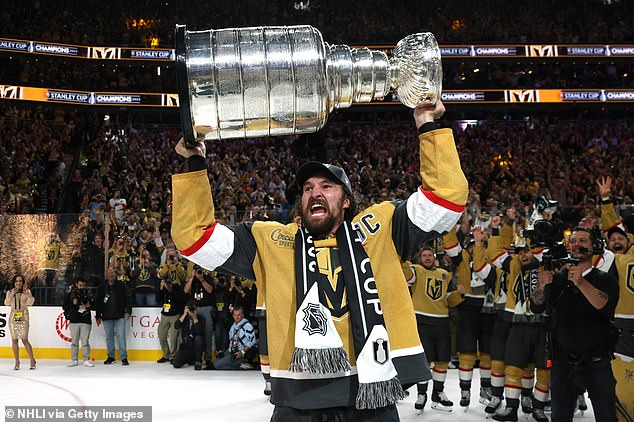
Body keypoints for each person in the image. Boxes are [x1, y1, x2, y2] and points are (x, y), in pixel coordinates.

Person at [171, 100, 468, 420]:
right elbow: (194, 239)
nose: (315, 193)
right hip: (299, 402)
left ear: (347, 200)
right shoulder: (271, 241)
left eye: (327, 186)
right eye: (308, 188)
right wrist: (195, 162)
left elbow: (446, 199)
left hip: (371, 399)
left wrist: (427, 123)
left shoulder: (380, 228)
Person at [533, 227, 619, 422]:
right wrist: (541, 287)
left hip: (597, 362)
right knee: (560, 417)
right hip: (562, 363)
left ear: (594, 246)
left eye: (582, 241)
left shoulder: (605, 279)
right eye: (573, 242)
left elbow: (603, 305)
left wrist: (580, 282)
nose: (576, 245)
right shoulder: (559, 278)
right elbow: (537, 307)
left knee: (607, 417)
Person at [403, 245, 464, 412]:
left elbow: (451, 300)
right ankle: (421, 394)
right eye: (424, 255)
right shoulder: (415, 270)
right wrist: (404, 262)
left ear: (434, 257)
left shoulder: (445, 274)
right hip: (422, 323)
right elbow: (406, 276)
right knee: (425, 361)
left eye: (430, 255)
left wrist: (459, 293)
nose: (427, 258)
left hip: (442, 323)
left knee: (442, 361)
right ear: (420, 258)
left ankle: (438, 392)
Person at [95, 266, 133, 365]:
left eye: (112, 273)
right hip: (106, 316)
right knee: (109, 337)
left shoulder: (121, 285)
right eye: (109, 273)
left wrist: (128, 311)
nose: (111, 274)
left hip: (119, 315)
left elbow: (128, 298)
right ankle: (111, 356)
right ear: (106, 275)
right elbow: (98, 302)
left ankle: (124, 358)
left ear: (115, 274)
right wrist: (98, 315)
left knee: (121, 337)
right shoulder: (102, 287)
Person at [183, 265, 215, 369]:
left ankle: (208, 358)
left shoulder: (207, 277)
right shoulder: (192, 280)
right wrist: (192, 278)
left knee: (207, 333)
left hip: (206, 308)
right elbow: (186, 290)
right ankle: (197, 358)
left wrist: (202, 280)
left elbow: (210, 290)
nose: (198, 272)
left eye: (199, 270)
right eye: (196, 271)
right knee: (196, 333)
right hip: (195, 309)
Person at [4, 274, 36, 370]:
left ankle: (31, 359)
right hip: (13, 317)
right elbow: (7, 303)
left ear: (23, 282)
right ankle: (17, 361)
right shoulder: (10, 291)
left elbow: (30, 303)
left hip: (24, 316)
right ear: (14, 282)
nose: (18, 283)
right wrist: (11, 295)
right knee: (14, 340)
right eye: (17, 281)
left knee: (24, 339)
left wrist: (28, 295)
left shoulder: (27, 291)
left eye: (20, 281)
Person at [62, 278, 94, 367]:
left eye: (84, 285)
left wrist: (88, 305)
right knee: (74, 341)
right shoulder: (71, 294)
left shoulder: (89, 293)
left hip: (86, 320)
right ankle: (74, 359)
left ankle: (86, 359)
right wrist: (73, 303)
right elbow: (65, 305)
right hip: (74, 320)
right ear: (76, 284)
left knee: (85, 341)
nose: (82, 287)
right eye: (80, 285)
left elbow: (94, 304)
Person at [156, 277, 185, 363]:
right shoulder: (163, 289)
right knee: (161, 334)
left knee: (174, 337)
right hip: (164, 315)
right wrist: (161, 289)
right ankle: (166, 354)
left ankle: (173, 356)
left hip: (175, 315)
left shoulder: (177, 289)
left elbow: (178, 299)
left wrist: (168, 289)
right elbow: (158, 300)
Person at [173, 301, 205, 370]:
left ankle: (197, 361)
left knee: (198, 338)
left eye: (193, 309)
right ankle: (190, 359)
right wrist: (184, 314)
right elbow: (176, 326)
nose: (192, 311)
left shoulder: (201, 319)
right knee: (176, 364)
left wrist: (195, 318)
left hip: (196, 347)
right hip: (186, 346)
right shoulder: (184, 319)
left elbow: (199, 331)